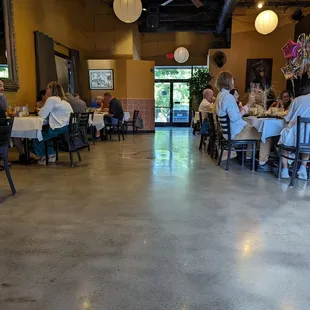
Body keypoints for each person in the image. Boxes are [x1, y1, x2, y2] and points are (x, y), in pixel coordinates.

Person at [215, 71, 272, 172]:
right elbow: (235, 118)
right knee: (266, 133)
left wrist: (244, 108)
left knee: (253, 128)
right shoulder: (228, 97)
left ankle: (248, 158)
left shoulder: (220, 95)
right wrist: (249, 104)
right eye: (232, 79)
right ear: (228, 80)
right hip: (236, 133)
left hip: (229, 132)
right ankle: (262, 163)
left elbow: (232, 115)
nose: (233, 81)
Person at [32, 81, 73, 165]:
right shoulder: (64, 100)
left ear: (51, 89)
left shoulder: (52, 99)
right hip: (66, 128)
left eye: (47, 88)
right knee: (45, 132)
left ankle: (43, 157)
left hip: (58, 128)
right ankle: (51, 155)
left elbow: (42, 114)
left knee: (36, 135)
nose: (46, 90)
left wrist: (42, 106)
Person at [279, 87, 310, 180]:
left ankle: (285, 170)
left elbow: (287, 119)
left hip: (294, 137)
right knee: (307, 144)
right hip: (308, 140)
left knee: (284, 136)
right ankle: (303, 168)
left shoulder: (297, 100)